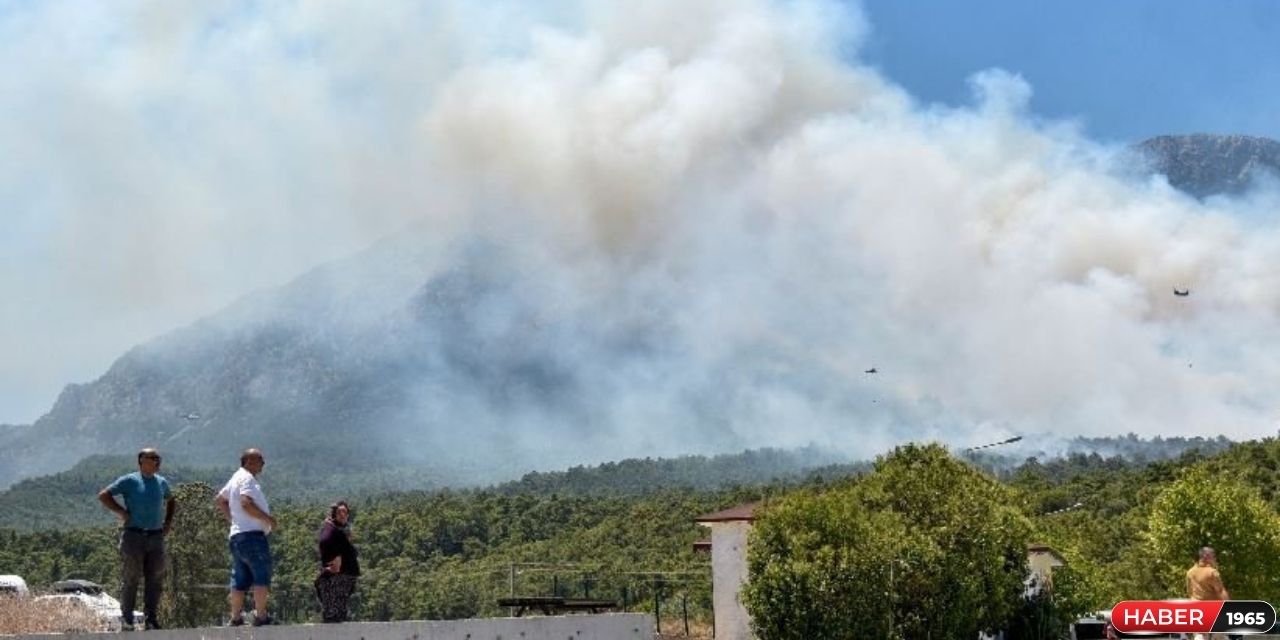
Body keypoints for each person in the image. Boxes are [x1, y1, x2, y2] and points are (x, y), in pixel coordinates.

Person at [98, 447, 175, 631]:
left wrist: (168, 523)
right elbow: (104, 495)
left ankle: (151, 619)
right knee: (131, 578)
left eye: (158, 458)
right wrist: (121, 512)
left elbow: (171, 500)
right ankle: (127, 619)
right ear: (142, 460)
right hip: (134, 535)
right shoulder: (130, 480)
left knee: (155, 579)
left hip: (156, 536)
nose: (157, 461)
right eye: (153, 458)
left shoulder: (161, 482)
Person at [215, 448, 278, 627]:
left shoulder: (235, 478)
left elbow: (220, 500)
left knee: (239, 579)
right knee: (261, 575)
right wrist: (269, 519)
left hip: (236, 536)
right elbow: (245, 502)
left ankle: (235, 617)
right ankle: (261, 616)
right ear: (249, 461)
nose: (263, 464)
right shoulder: (247, 478)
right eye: (260, 461)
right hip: (253, 536)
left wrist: (233, 520)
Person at [315, 500, 360, 622]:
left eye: (345, 512)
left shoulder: (338, 531)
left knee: (334, 612)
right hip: (339, 575)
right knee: (335, 612)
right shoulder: (334, 530)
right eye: (340, 512)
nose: (343, 515)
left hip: (342, 575)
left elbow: (338, 558)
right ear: (334, 514)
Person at [1186, 546, 1229, 640]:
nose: (1215, 559)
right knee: (1220, 635)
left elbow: (1189, 591)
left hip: (1196, 608)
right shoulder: (1212, 572)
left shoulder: (1190, 572)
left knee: (1199, 635)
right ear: (1207, 556)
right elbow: (1220, 591)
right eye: (1213, 556)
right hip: (1212, 608)